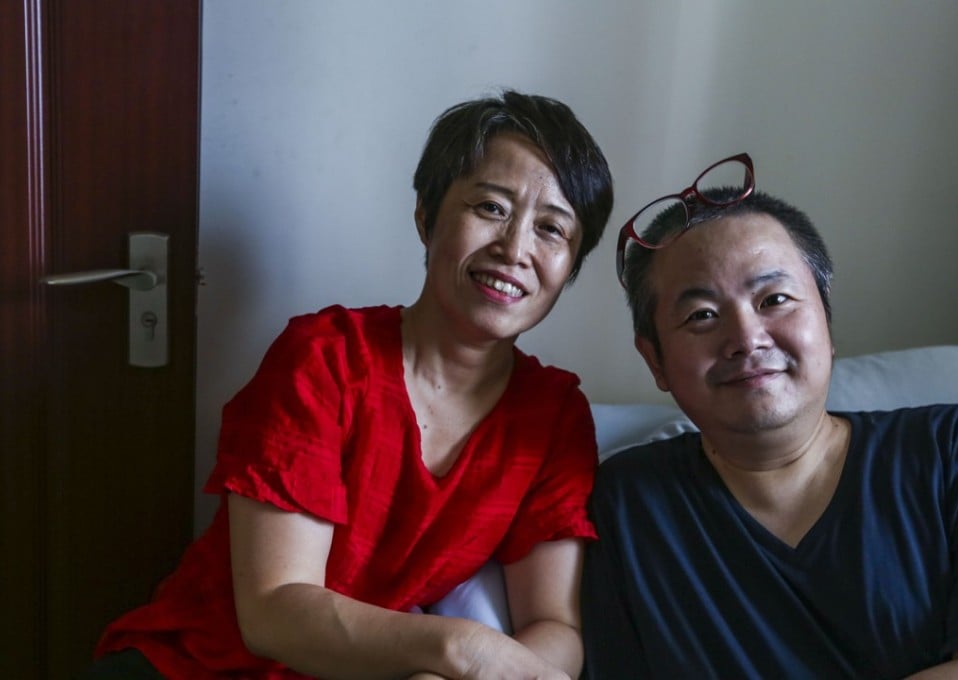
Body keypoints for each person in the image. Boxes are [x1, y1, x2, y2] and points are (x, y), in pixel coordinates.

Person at [83, 90, 614, 680]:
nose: (515, 249)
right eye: (490, 208)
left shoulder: (554, 414)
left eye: (551, 230)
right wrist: (460, 653)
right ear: (426, 216)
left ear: (570, 267)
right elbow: (273, 612)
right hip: (199, 666)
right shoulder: (324, 360)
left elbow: (555, 626)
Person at [580, 154, 958, 679]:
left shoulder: (956, 453)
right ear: (656, 360)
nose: (746, 339)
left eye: (775, 299)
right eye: (702, 315)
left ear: (825, 320)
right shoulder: (627, 506)